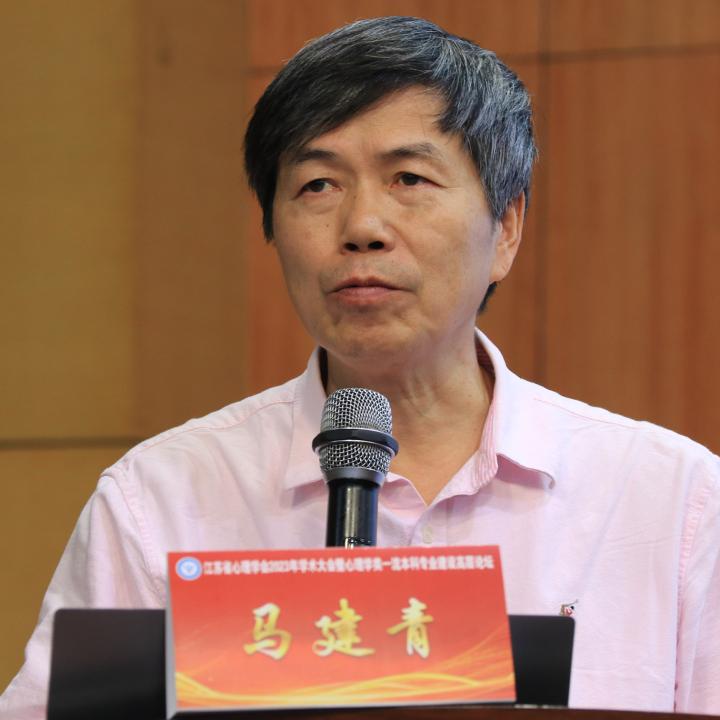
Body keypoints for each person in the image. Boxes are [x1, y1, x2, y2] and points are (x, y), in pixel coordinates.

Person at [2, 16, 718, 718]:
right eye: (318, 185)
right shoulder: (159, 501)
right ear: (272, 228)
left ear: (505, 228)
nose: (362, 228)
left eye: (409, 178)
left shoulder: (670, 503)